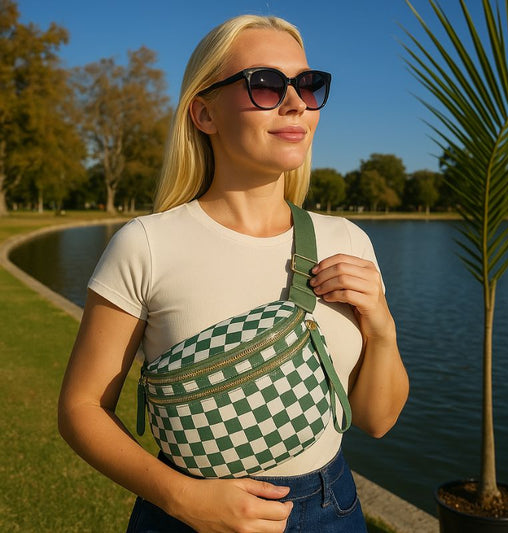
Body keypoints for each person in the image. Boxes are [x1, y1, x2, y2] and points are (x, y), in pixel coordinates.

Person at [58, 14, 409, 533]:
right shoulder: (147, 244)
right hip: (186, 514)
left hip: (332, 509)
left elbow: (377, 420)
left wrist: (381, 327)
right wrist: (183, 498)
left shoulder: (348, 240)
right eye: (265, 84)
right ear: (204, 113)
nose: (296, 102)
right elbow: (81, 407)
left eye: (308, 84)